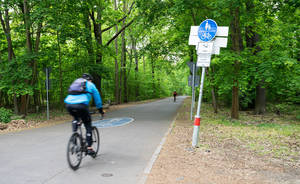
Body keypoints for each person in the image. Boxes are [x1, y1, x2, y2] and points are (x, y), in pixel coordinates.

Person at [64, 73, 104, 156]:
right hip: (82, 105)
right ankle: (89, 148)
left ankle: (74, 137)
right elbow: (97, 98)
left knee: (75, 118)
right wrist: (100, 110)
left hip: (68, 104)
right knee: (88, 124)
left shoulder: (76, 82)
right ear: (90, 79)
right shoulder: (90, 84)